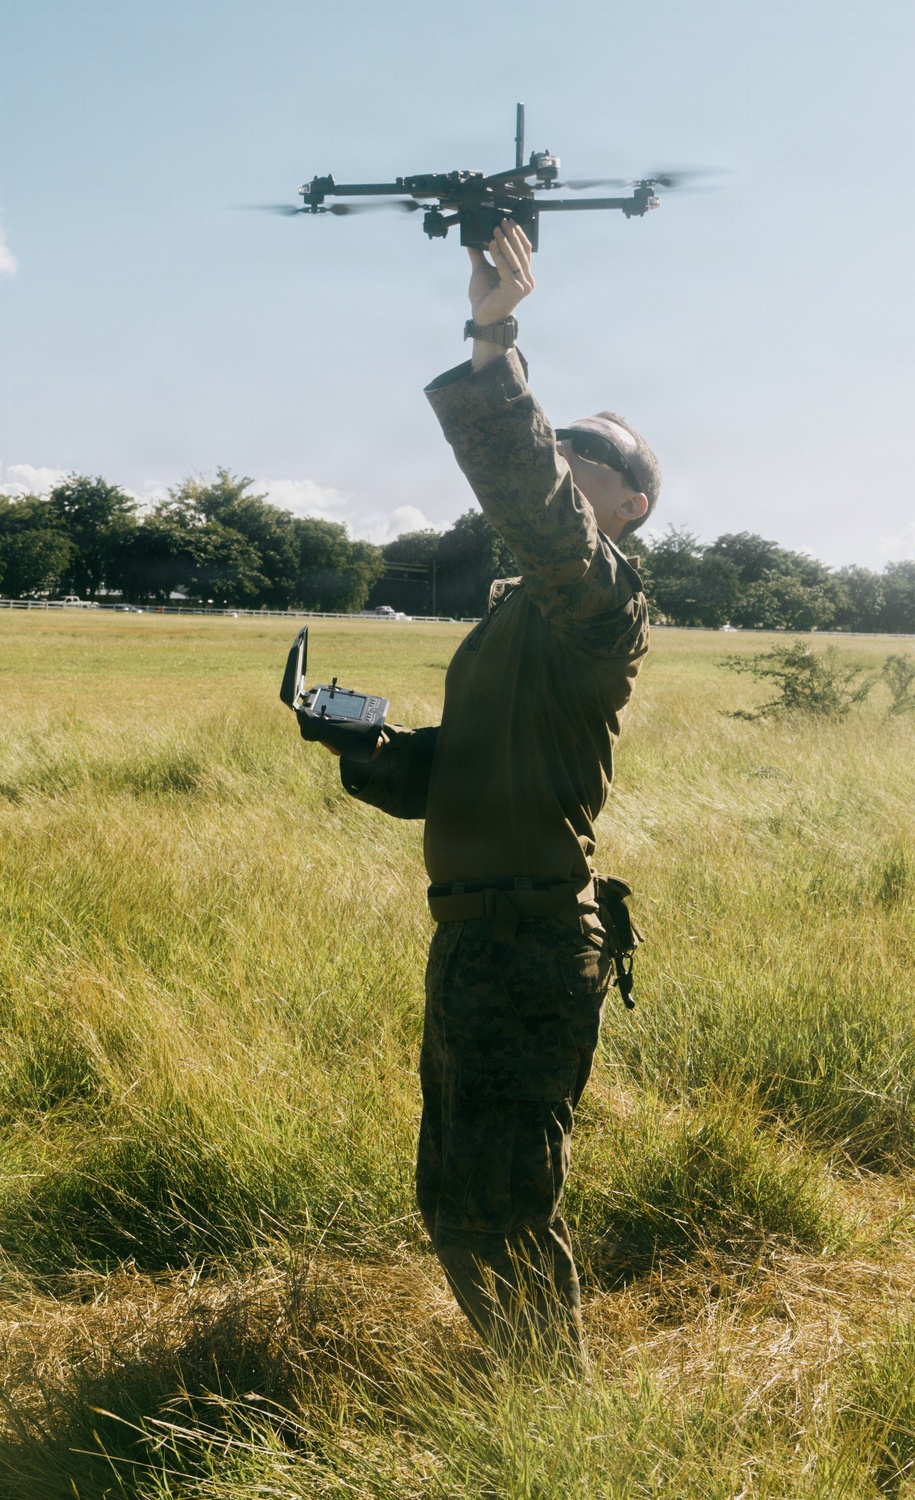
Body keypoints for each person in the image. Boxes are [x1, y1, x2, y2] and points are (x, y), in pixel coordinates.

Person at [333, 220, 658, 1365]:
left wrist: (491, 341)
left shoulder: (595, 603)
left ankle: (554, 1426)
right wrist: (375, 752)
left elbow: (536, 505)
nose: (565, 454)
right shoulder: (518, 617)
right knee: (454, 1196)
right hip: (474, 934)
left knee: (500, 1209)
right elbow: (462, 774)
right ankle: (531, 1398)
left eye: (591, 454)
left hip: (529, 933)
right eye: (556, 440)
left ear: (625, 511)